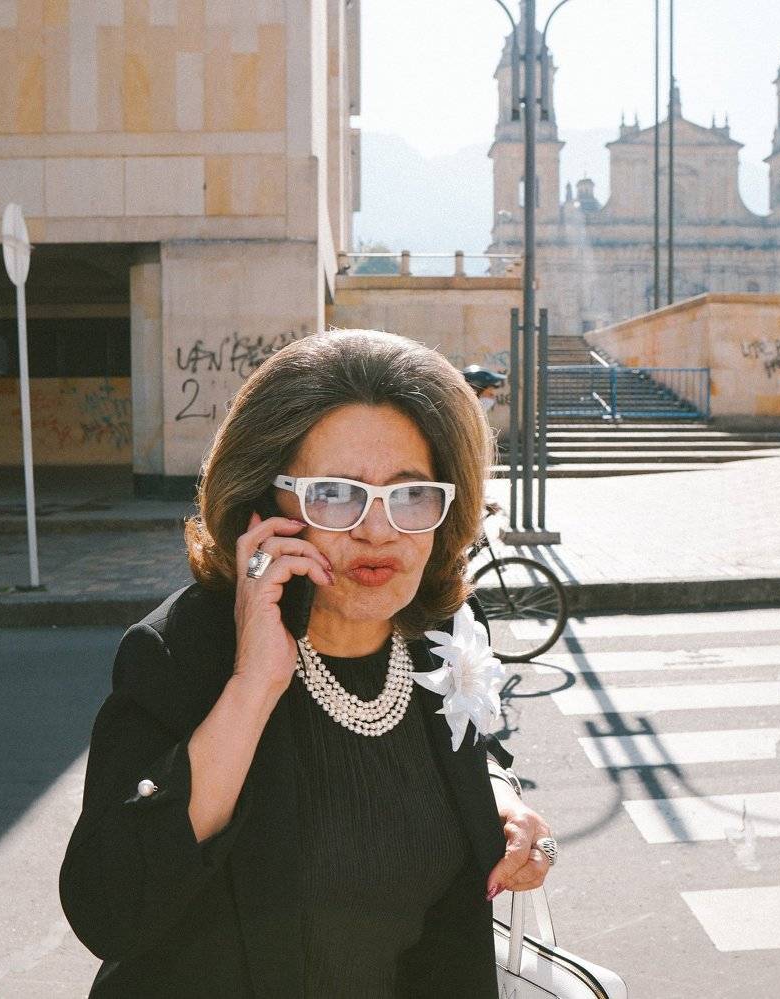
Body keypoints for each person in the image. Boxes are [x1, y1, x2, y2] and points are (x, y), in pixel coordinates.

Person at [60, 329, 556, 997]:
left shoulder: (440, 629)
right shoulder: (184, 648)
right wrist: (253, 685)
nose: (378, 530)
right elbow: (110, 910)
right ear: (266, 505)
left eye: (411, 494)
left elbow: (464, 747)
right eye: (335, 493)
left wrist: (499, 798)